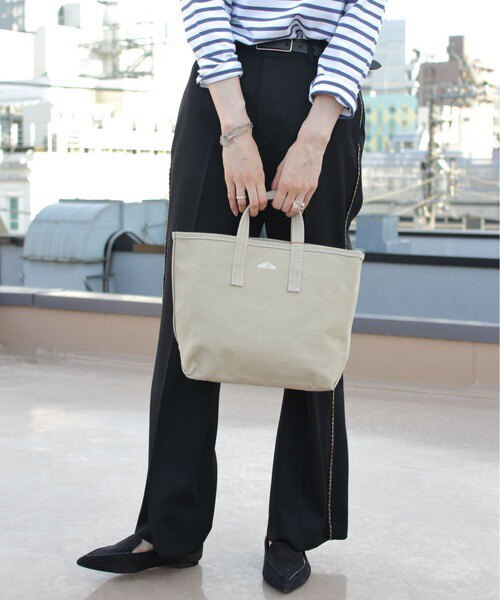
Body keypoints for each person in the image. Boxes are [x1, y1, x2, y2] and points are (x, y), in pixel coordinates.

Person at [77, 0, 386, 593]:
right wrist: (235, 131)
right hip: (222, 87)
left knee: (312, 312)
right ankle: (167, 528)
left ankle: (294, 532)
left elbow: (364, 9)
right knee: (191, 306)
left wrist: (315, 136)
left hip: (326, 94)